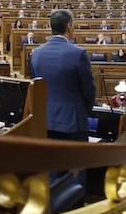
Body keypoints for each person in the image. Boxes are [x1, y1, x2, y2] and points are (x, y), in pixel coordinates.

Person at [29, 10, 95, 141]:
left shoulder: (36, 53)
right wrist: (83, 112)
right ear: (69, 26)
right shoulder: (79, 53)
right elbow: (89, 91)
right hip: (73, 124)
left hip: (44, 121)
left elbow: (35, 88)